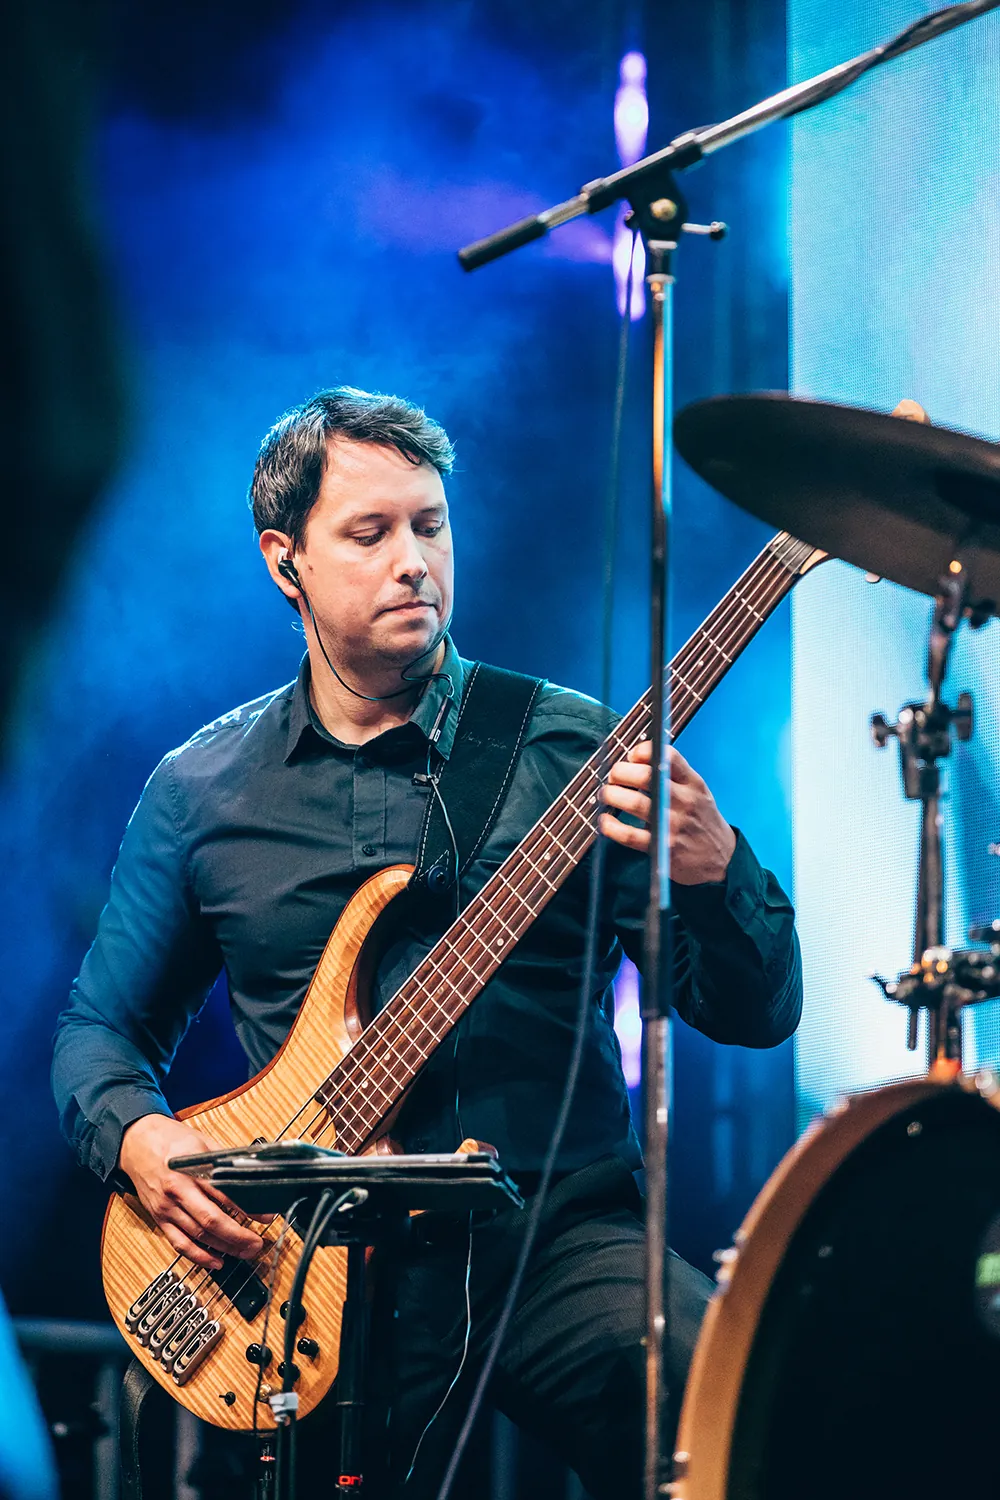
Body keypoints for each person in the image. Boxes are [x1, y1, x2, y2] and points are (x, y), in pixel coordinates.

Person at [52, 387, 802, 1498]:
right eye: (369, 533)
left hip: (552, 1240)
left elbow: (756, 1012)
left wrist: (714, 871)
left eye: (430, 525)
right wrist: (143, 1145)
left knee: (717, 1408)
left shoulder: (572, 751)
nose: (413, 560)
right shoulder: (200, 789)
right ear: (283, 561)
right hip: (303, 1256)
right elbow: (98, 1031)